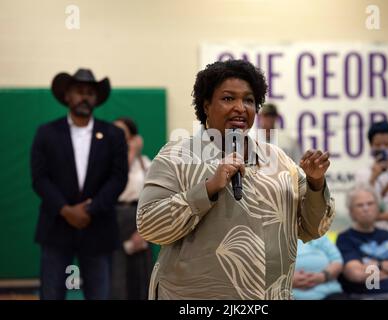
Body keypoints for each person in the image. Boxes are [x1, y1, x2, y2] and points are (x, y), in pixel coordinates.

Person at [136, 59, 335, 300]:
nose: (240, 107)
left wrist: (315, 184)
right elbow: (150, 226)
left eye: (249, 100)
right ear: (206, 105)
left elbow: (313, 228)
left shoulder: (279, 160)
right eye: (229, 98)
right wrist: (208, 189)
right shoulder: (177, 156)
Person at [31, 68, 128, 299]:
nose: (84, 97)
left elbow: (118, 178)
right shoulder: (46, 133)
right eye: (79, 91)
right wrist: (66, 210)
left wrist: (89, 209)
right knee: (52, 293)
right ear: (67, 96)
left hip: (98, 226)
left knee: (99, 294)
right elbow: (39, 178)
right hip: (56, 226)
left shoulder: (113, 134)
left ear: (96, 99)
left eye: (90, 92)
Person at [336, 186, 388, 300]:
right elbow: (356, 274)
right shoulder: (345, 238)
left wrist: (378, 265)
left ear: (378, 208)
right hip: (368, 296)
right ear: (351, 212)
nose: (366, 208)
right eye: (360, 205)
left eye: (370, 204)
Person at [111, 117, 153, 300]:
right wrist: (130, 153)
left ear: (132, 137)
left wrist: (144, 231)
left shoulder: (145, 163)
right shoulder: (107, 161)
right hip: (114, 218)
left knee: (141, 275)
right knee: (117, 277)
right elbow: (116, 181)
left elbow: (154, 197)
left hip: (140, 217)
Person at [292, 235, 345, 300]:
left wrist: (324, 276)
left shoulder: (317, 234)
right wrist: (287, 281)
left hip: (330, 293)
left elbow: (337, 261)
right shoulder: (277, 241)